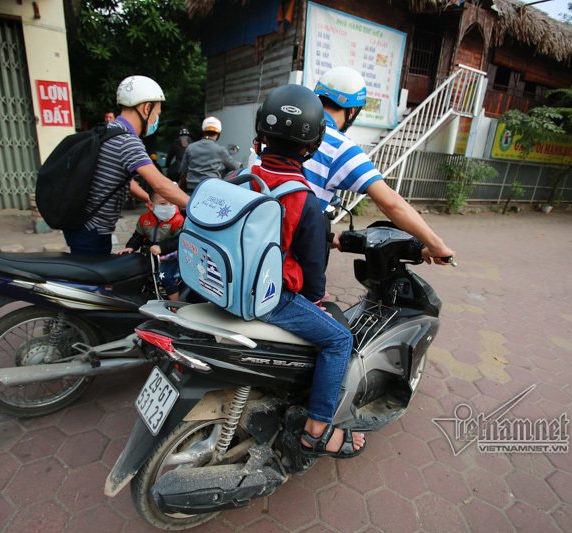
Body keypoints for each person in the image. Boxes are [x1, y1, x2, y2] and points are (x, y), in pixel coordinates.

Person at [252, 84, 365, 459]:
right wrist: (316, 300)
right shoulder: (306, 201)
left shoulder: (242, 180)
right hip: (270, 298)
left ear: (261, 135)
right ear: (310, 146)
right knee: (339, 340)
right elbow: (315, 275)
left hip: (226, 285)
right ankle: (316, 430)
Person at [303, 66, 456, 264]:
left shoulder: (280, 129)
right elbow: (390, 202)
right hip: (296, 261)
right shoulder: (339, 146)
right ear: (352, 111)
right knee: (312, 293)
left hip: (262, 240)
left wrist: (334, 238)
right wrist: (436, 245)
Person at [63, 75, 189, 255]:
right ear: (147, 108)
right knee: (95, 281)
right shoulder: (126, 141)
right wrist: (194, 206)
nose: (156, 120)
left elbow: (123, 181)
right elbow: (160, 184)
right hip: (93, 229)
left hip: (82, 224)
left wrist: (149, 199)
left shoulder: (106, 131)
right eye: (157, 114)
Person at [116, 189, 184, 301]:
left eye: (172, 202)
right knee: (140, 274)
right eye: (163, 203)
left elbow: (179, 240)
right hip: (149, 255)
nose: (168, 206)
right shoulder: (144, 219)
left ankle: (175, 305)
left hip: (169, 257)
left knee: (165, 277)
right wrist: (130, 247)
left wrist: (161, 247)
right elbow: (137, 236)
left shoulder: (178, 220)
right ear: (151, 205)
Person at [178, 116, 240, 194]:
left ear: (203, 131)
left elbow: (183, 170)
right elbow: (235, 167)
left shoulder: (190, 147)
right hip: (211, 189)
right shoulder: (220, 150)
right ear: (218, 133)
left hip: (192, 189)